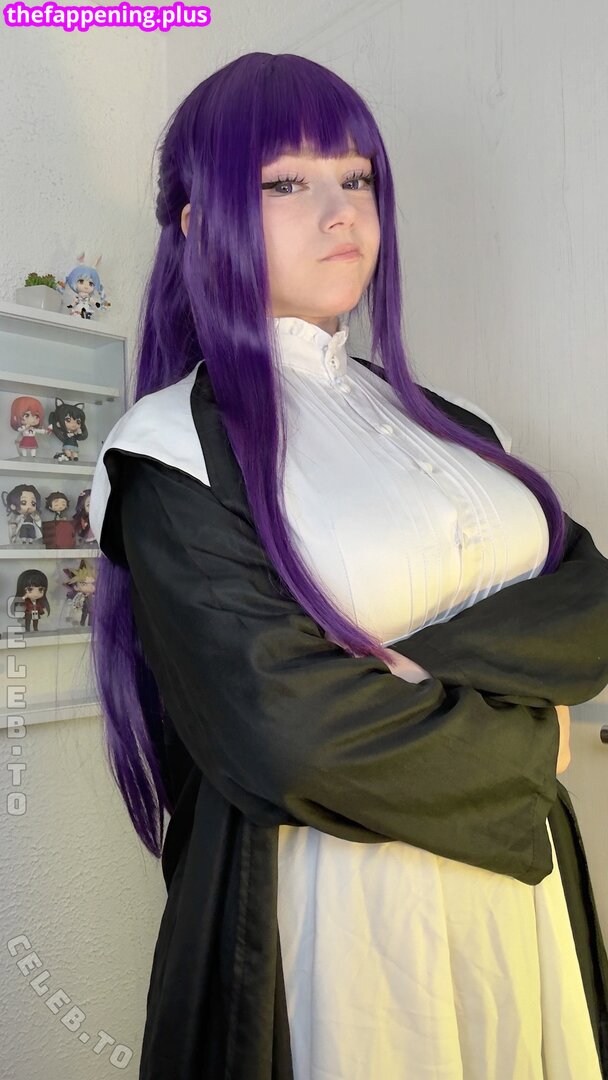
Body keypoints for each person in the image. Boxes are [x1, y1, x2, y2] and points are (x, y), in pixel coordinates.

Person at [89, 52, 608, 1080]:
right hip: (336, 930)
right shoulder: (167, 450)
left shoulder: (459, 425)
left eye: (356, 176)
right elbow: (286, 736)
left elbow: (586, 603)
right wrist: (529, 740)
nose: (340, 212)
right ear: (198, 223)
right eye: (285, 182)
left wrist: (377, 668)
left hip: (521, 906)